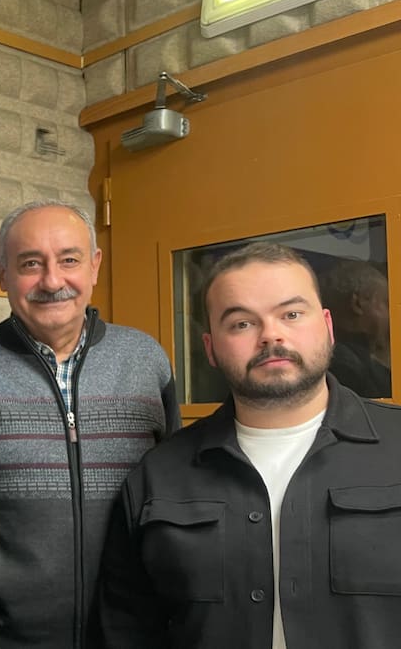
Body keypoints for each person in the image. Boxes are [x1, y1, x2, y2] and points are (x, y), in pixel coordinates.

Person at [99, 242, 401, 649]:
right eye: (241, 323)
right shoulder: (159, 477)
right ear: (210, 347)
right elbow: (126, 631)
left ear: (328, 327)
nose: (271, 335)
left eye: (291, 314)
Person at [0, 199, 180, 649]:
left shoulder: (146, 361)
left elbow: (178, 498)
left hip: (137, 636)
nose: (52, 281)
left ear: (95, 267)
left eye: (69, 260)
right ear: (3, 275)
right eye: (30, 263)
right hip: (8, 640)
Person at [320, 258, 391, 398]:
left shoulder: (361, 357)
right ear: (358, 303)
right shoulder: (345, 366)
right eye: (386, 303)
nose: (393, 316)